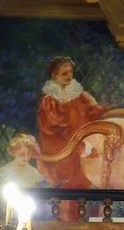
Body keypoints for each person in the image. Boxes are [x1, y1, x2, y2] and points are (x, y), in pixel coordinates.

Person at [36, 56, 118, 189]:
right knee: (67, 188)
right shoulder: (49, 100)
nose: (69, 76)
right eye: (64, 73)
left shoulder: (79, 95)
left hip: (82, 147)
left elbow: (91, 114)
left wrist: (106, 110)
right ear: (54, 75)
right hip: (62, 152)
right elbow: (52, 128)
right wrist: (77, 145)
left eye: (70, 72)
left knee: (85, 183)